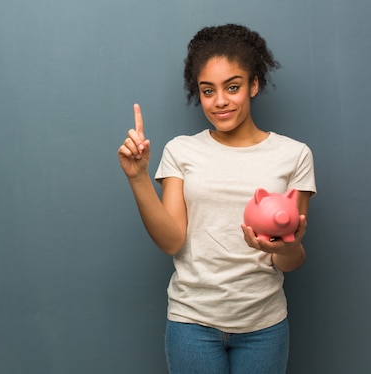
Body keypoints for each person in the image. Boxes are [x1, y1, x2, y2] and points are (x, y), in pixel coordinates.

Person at [117, 24, 316, 373]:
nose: (220, 101)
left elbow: (290, 259)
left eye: (233, 87)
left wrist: (283, 248)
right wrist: (138, 179)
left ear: (254, 85)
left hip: (264, 325)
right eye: (208, 90)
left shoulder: (294, 155)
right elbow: (171, 240)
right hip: (192, 322)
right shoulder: (181, 150)